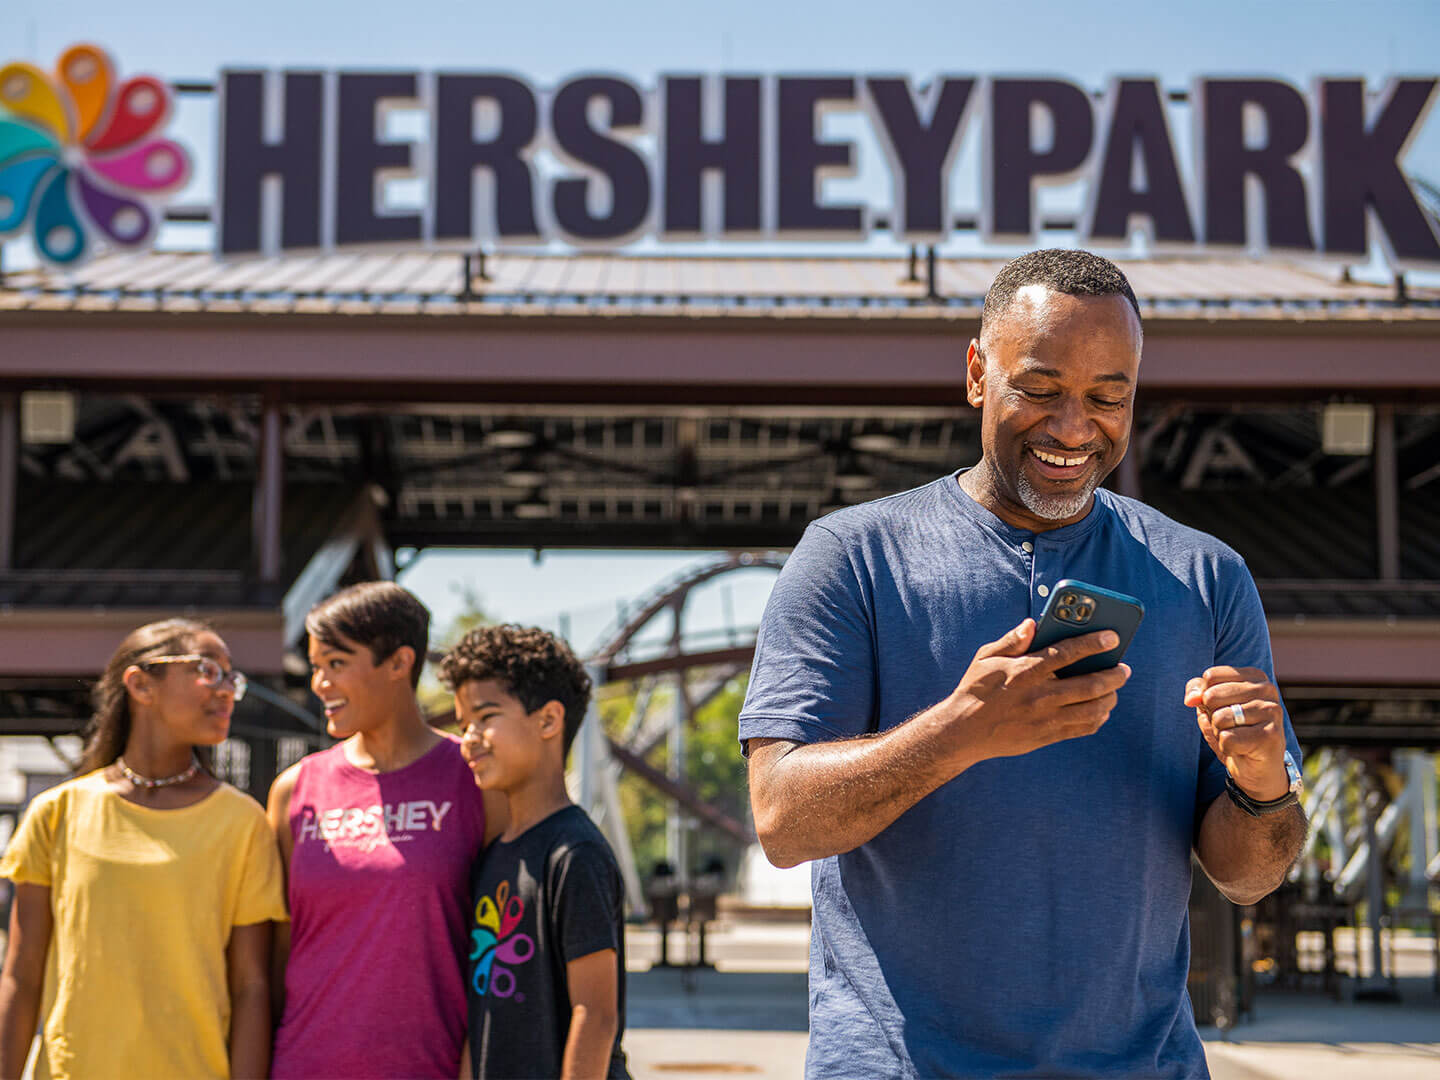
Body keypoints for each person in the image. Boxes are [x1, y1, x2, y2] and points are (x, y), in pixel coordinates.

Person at [741, 249, 1307, 1079]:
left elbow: (1249, 877)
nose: (1074, 427)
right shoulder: (852, 557)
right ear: (978, 373)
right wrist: (959, 733)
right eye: (1039, 390)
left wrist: (1263, 787)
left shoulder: (1204, 577)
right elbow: (782, 821)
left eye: (1107, 396)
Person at [0, 619, 286, 1080]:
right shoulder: (57, 812)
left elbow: (252, 986)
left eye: (233, 677)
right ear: (140, 684)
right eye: (209, 671)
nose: (228, 690)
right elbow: (21, 974)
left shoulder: (243, 823)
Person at [267, 582, 506, 1080]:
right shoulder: (294, 791)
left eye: (336, 664)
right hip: (302, 1065)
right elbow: (277, 953)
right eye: (315, 667)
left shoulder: (477, 779)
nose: (319, 683)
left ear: (399, 662)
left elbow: (501, 949)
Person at [444, 624, 629, 1080]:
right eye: (463, 724)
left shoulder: (575, 853)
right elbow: (481, 1012)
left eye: (485, 717)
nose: (468, 737)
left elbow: (597, 1015)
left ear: (548, 720)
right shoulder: (495, 852)